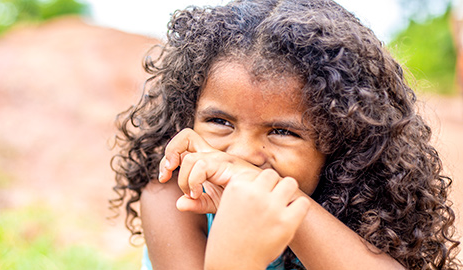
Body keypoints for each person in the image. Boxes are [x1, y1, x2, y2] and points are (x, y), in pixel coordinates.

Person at [110, 0, 462, 269]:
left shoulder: (358, 215)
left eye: (281, 131)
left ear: (343, 143)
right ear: (187, 118)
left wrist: (292, 209)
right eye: (220, 122)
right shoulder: (172, 199)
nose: (244, 154)